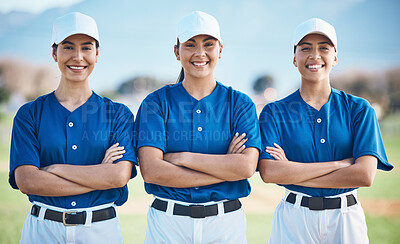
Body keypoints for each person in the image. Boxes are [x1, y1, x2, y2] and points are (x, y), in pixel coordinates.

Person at [258, 18, 393, 244]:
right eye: (305, 48)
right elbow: (271, 173)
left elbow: (364, 175)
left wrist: (293, 171)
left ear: (335, 57)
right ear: (294, 58)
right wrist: (339, 164)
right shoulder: (275, 112)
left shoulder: (359, 109)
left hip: (346, 218)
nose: (315, 56)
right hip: (294, 217)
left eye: (324, 48)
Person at [9, 12, 137, 244]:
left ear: (97, 54)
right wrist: (98, 173)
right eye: (68, 47)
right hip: (42, 231)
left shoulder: (119, 115)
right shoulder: (29, 114)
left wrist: (55, 169)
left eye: (86, 48)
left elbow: (118, 177)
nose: (78, 57)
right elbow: (27, 181)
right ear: (54, 53)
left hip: (100, 231)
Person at [134, 11, 261, 244]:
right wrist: (223, 167)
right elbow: (152, 171)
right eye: (190, 44)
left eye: (209, 44)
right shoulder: (155, 103)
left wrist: (181, 158)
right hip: (168, 224)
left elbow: (245, 168)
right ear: (177, 51)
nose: (200, 53)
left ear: (220, 50)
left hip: (225, 225)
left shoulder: (240, 104)